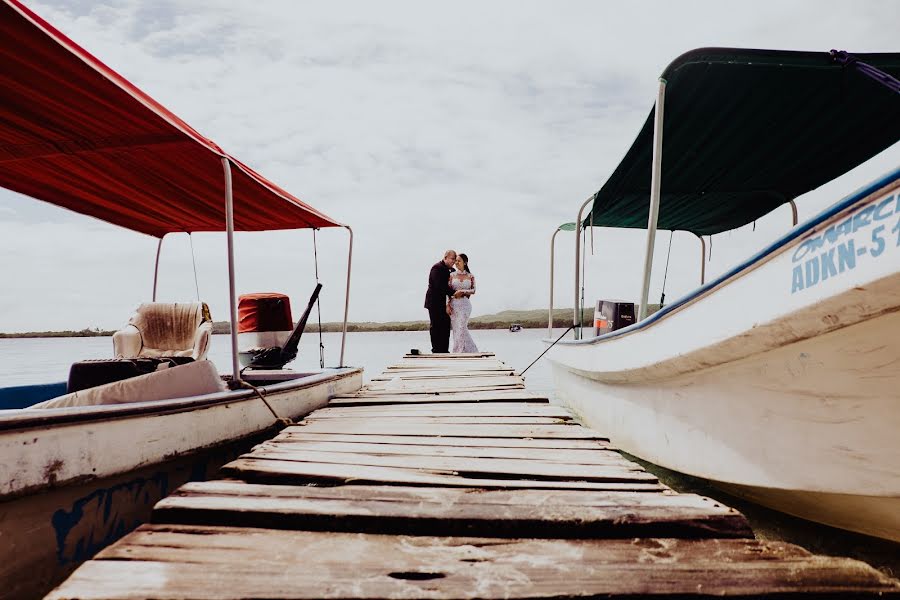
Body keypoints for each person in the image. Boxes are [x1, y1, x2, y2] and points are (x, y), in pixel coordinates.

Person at [424, 250, 457, 353]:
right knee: (435, 325)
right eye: (452, 259)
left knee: (446, 326)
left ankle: (444, 350)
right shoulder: (436, 268)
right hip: (434, 302)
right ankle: (436, 349)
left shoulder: (452, 270)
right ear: (445, 257)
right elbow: (440, 286)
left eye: (455, 259)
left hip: (446, 303)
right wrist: (455, 293)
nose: (453, 261)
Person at [447, 253, 478, 353]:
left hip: (465, 305)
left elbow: (473, 290)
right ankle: (465, 350)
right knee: (456, 329)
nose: (456, 262)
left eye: (459, 261)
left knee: (462, 327)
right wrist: (447, 305)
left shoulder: (470, 276)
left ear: (465, 262)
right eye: (455, 261)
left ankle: (459, 351)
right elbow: (447, 291)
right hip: (453, 305)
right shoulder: (451, 275)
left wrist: (463, 291)